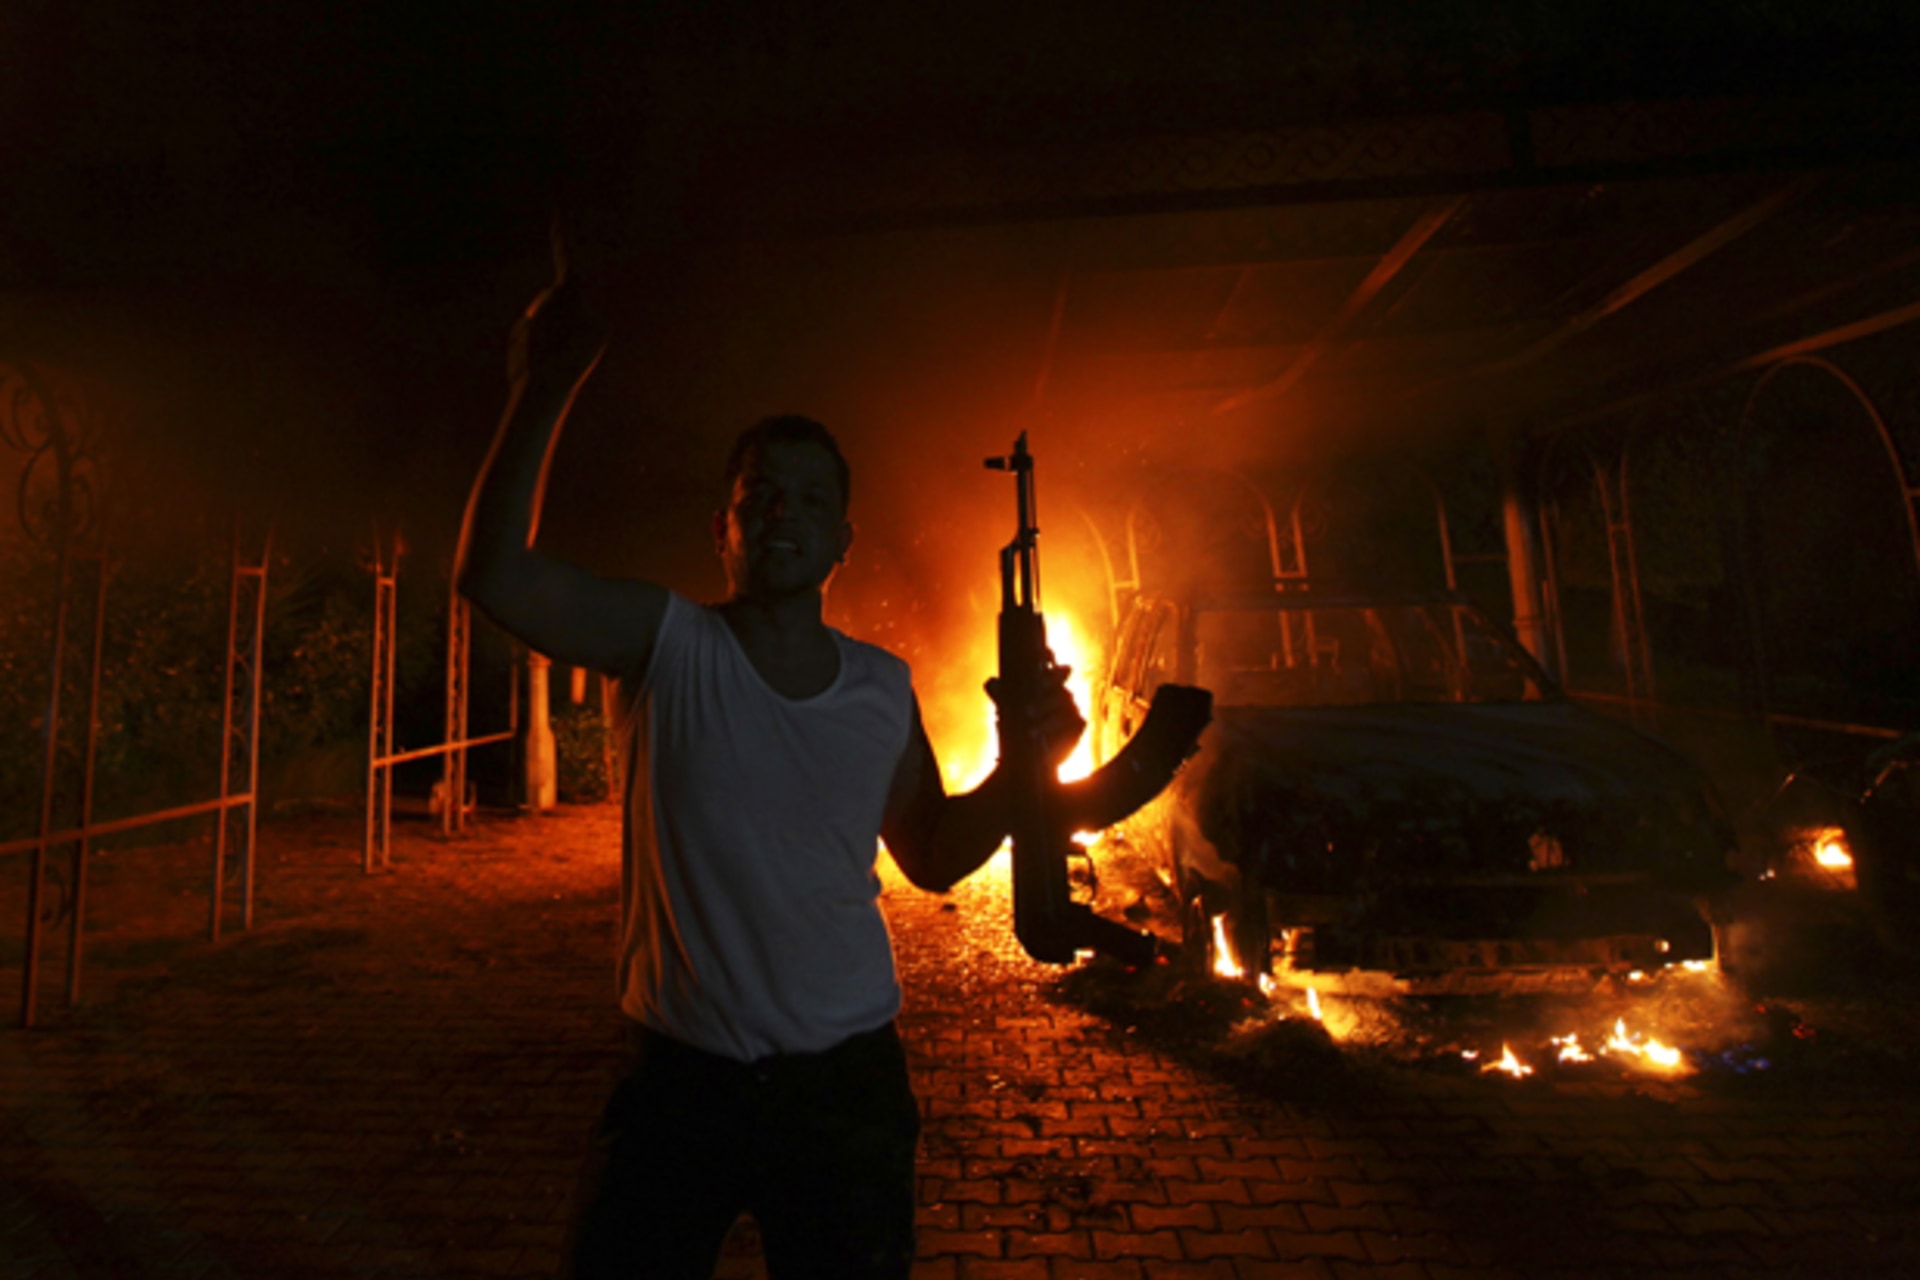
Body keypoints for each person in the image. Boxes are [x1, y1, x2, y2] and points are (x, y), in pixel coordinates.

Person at [456, 238, 1082, 1280]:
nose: (782, 508)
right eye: (760, 493)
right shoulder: (663, 644)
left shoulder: (882, 686)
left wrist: (1030, 769)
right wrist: (543, 389)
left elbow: (929, 852)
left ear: (844, 538)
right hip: (675, 1090)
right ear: (724, 529)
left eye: (808, 495)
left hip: (845, 1092)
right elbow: (496, 575)